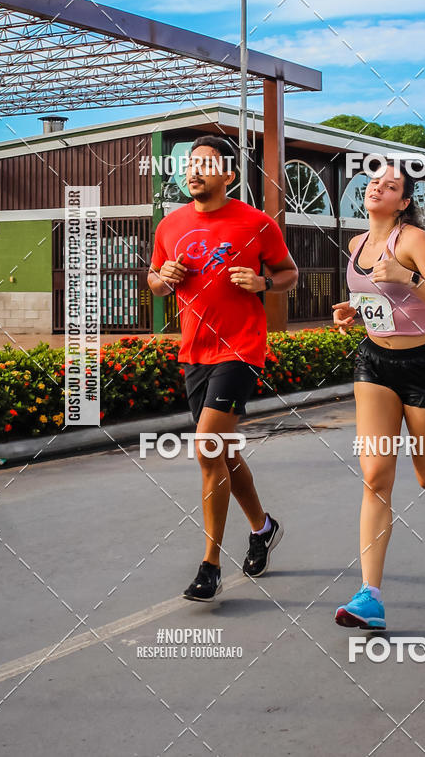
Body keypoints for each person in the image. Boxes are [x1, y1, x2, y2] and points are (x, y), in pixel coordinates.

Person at [147, 135, 298, 601]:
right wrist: (163, 278)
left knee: (207, 448)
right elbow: (154, 281)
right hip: (195, 352)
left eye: (206, 164)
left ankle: (210, 565)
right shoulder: (170, 225)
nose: (194, 171)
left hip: (241, 349)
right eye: (190, 164)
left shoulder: (256, 223)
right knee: (225, 453)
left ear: (229, 174)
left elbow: (289, 274)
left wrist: (263, 282)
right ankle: (263, 527)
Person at [332, 160, 425, 629]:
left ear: (403, 202)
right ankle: (369, 596)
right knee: (375, 475)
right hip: (374, 364)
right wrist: (354, 311)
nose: (378, 187)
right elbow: (380, 300)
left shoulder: (413, 241)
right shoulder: (356, 244)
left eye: (390, 185)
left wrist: (407, 277)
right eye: (374, 181)